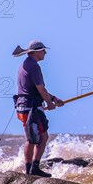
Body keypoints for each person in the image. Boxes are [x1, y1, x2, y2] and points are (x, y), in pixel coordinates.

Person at [13, 40, 64, 176]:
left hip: (23, 107)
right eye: (43, 51)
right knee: (42, 137)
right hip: (32, 108)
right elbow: (40, 88)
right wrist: (50, 103)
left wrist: (53, 99)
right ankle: (34, 168)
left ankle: (29, 169)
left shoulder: (24, 65)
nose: (45, 53)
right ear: (36, 52)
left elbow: (35, 89)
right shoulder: (34, 66)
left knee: (31, 138)